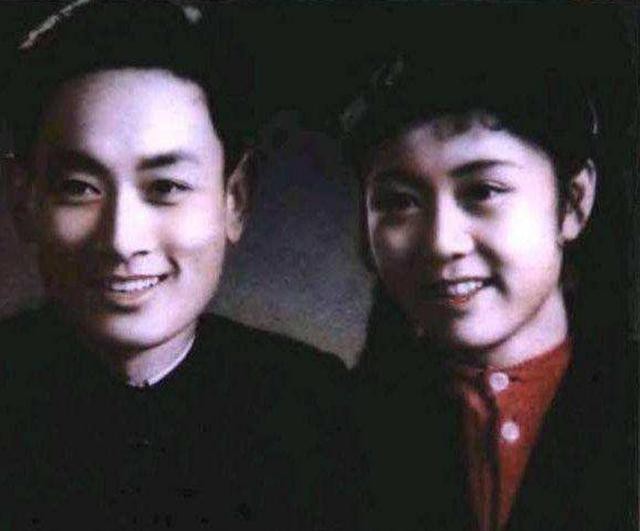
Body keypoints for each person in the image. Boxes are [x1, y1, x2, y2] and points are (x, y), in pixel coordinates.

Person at [0, 2, 354, 529]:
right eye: (79, 188)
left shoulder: (314, 409)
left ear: (235, 199)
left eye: (165, 187)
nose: (122, 241)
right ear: (23, 201)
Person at [341, 16, 636, 531]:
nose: (441, 242)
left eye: (483, 191)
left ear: (574, 202)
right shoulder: (332, 429)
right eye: (398, 202)